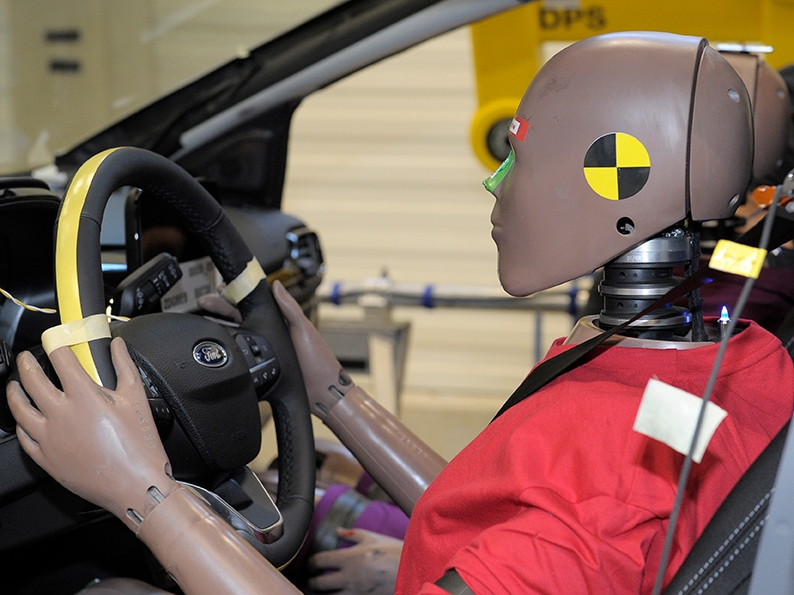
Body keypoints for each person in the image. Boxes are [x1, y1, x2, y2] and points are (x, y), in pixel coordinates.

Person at [7, 31, 794, 595]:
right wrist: (329, 391)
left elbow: (574, 521)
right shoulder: (733, 362)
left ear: (616, 178)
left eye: (517, 151)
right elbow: (491, 512)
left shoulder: (598, 502)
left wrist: (142, 488)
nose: (496, 184)